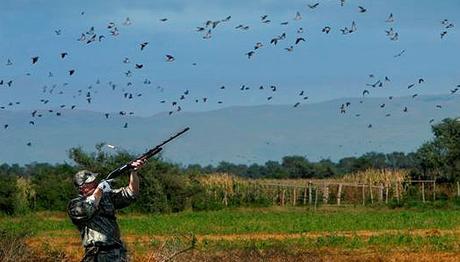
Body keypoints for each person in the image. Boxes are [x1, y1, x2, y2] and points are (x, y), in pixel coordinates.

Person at [68, 159, 146, 262]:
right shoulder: (76, 204)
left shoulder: (107, 196)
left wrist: (133, 172)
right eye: (91, 182)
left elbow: (132, 193)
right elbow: (87, 210)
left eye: (95, 180)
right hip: (97, 254)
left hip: (117, 252)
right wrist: (100, 190)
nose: (95, 182)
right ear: (82, 187)